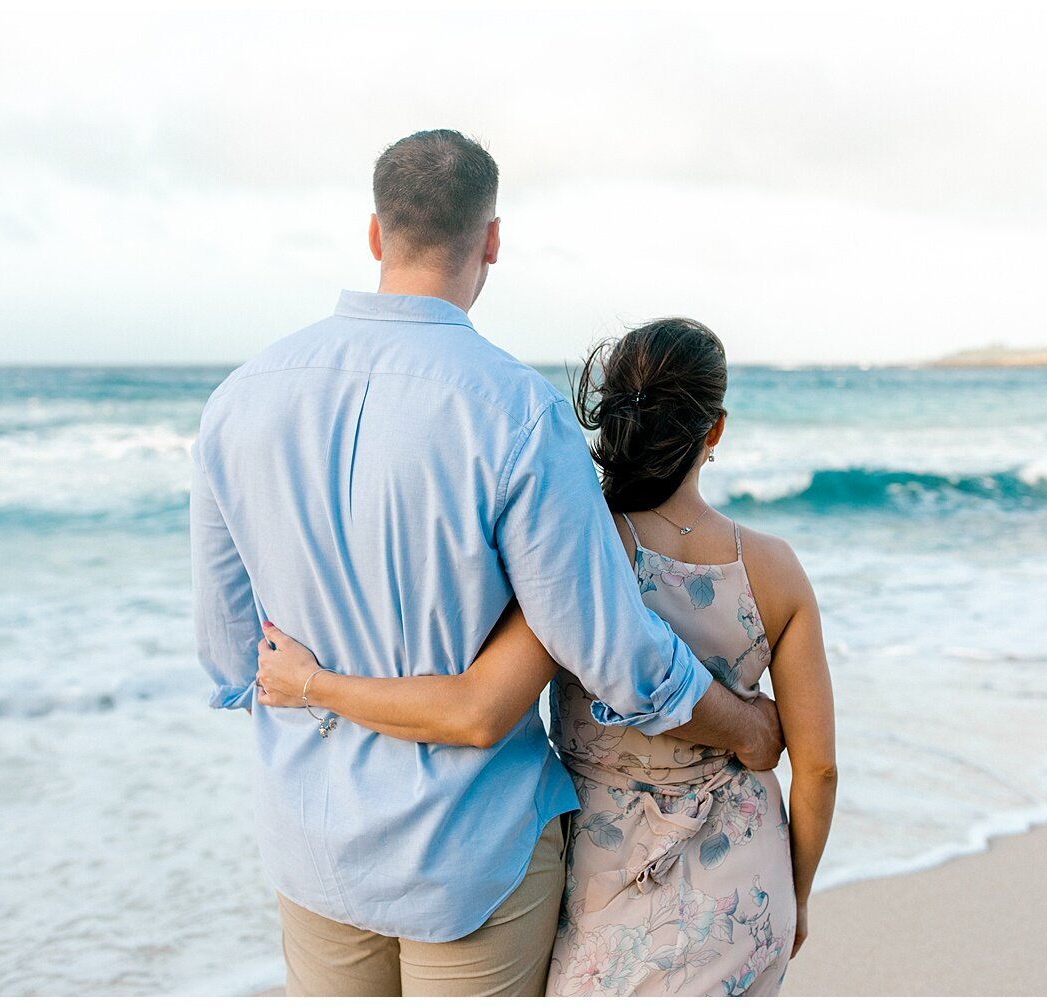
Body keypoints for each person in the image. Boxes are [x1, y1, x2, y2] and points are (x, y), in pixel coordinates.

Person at [190, 129, 784, 997]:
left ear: (373, 232)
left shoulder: (237, 400)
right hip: (468, 851)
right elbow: (610, 648)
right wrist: (745, 724)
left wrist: (320, 681)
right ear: (492, 241)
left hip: (311, 843)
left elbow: (228, 650)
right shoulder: (514, 412)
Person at [257, 318, 838, 995]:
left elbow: (480, 700)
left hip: (605, 873)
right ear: (714, 429)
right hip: (746, 877)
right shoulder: (774, 569)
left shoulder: (578, 552)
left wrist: (314, 683)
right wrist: (796, 893)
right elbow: (818, 767)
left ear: (612, 418)